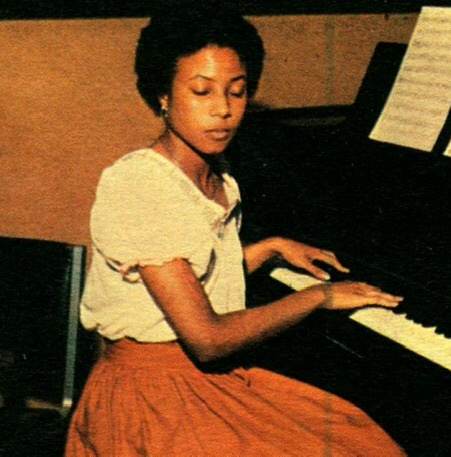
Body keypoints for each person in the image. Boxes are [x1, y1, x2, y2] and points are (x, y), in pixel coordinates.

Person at [65, 2, 405, 455]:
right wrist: (315, 297)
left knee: (357, 436)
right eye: (201, 92)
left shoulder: (218, 176)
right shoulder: (139, 183)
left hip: (198, 379)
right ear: (162, 95)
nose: (223, 110)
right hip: (149, 395)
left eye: (238, 91)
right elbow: (207, 340)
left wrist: (267, 248)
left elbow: (185, 276)